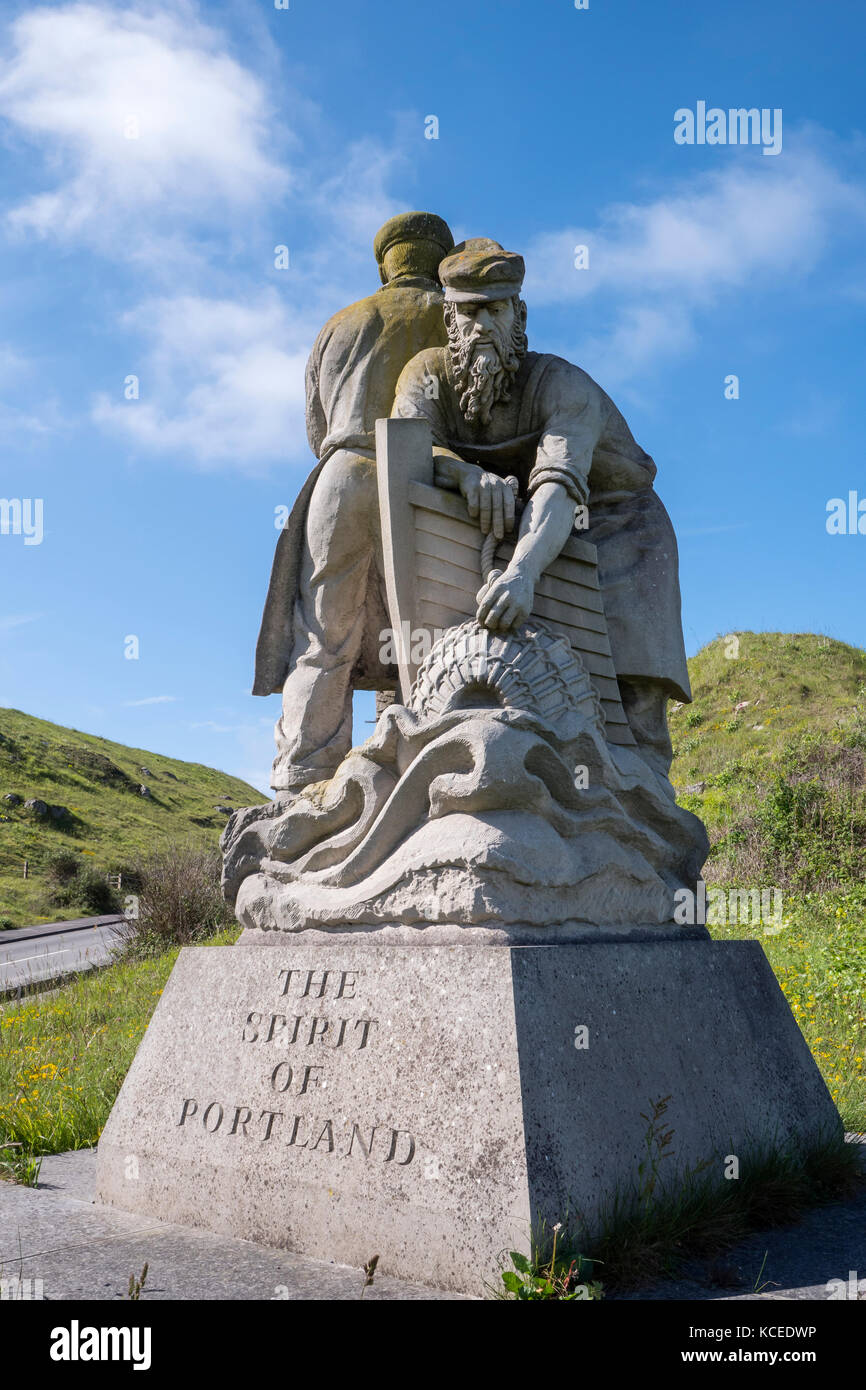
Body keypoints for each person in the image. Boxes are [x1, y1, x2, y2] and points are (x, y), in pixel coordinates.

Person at [391, 237, 692, 778]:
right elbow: (406, 452)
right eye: (469, 311)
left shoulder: (563, 385)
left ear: (519, 314)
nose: (483, 325)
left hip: (613, 523)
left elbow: (558, 485)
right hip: (511, 523)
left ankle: (643, 811)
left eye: (496, 310)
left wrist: (523, 574)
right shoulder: (425, 376)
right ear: (448, 317)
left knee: (629, 691)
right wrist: (465, 475)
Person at [252, 211, 454, 793]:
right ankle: (434, 766)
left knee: (322, 636)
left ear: (385, 262)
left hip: (339, 475)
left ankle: (305, 777)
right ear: (438, 260)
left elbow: (316, 428)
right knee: (434, 633)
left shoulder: (339, 323)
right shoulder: (455, 313)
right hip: (423, 474)